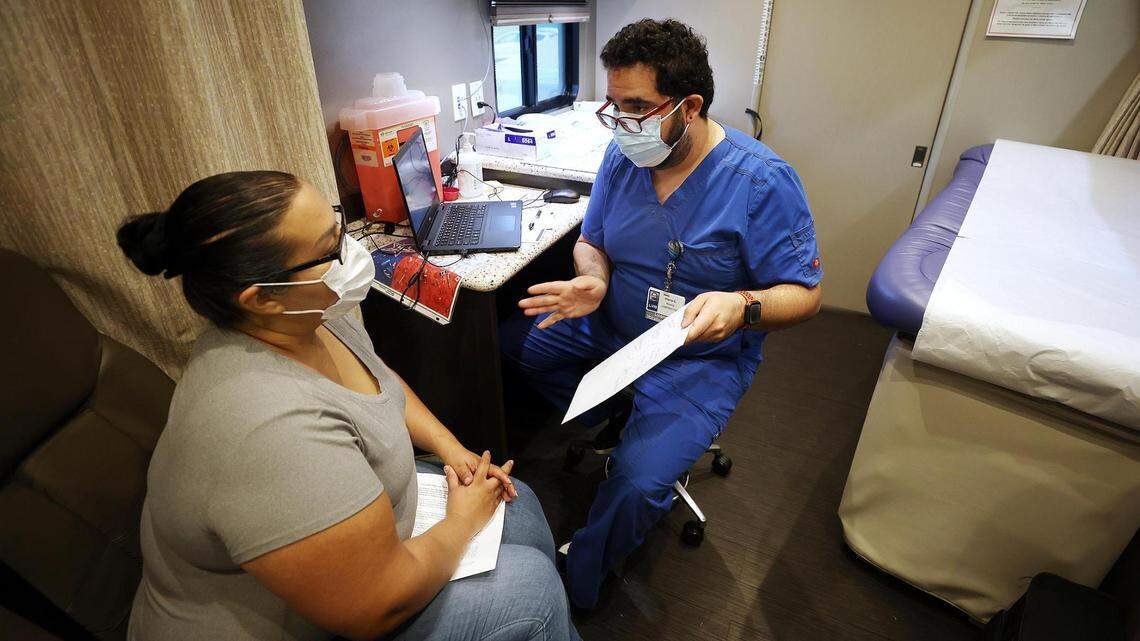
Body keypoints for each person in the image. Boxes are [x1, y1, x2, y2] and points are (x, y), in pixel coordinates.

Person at [117, 171, 578, 641]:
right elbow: (375, 605)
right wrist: (461, 522)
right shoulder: (268, 429)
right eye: (330, 248)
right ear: (262, 298)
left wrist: (451, 448)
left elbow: (377, 382)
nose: (351, 254)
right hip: (324, 616)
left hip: (363, 543)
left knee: (517, 507)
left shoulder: (309, 317)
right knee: (531, 592)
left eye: (338, 228)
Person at [500, 18, 824, 609]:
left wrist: (743, 305)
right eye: (614, 106)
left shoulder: (761, 183)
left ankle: (575, 587)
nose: (623, 123)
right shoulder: (624, 157)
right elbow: (591, 238)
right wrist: (593, 278)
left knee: (637, 484)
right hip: (613, 327)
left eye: (638, 107)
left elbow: (805, 296)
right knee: (514, 346)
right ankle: (625, 408)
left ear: (690, 106)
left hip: (697, 356)